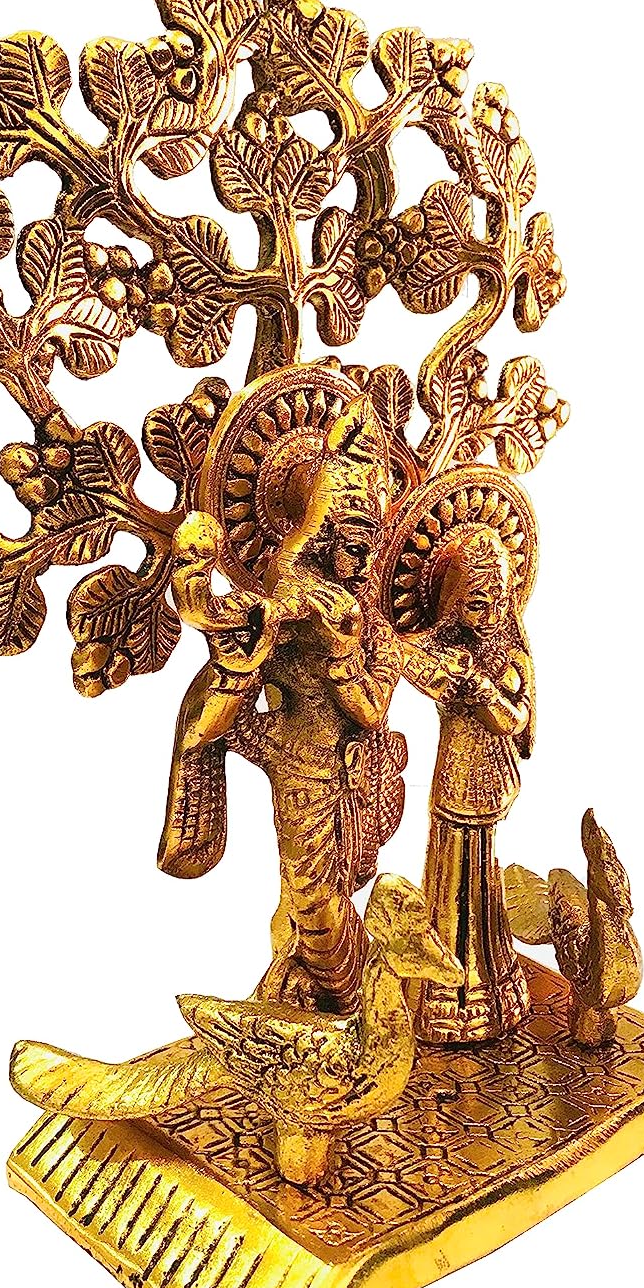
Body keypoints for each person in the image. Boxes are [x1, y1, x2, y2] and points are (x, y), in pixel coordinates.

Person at [159, 396, 405, 1014]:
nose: (359, 560)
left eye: (369, 545)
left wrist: (344, 655)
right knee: (306, 896)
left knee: (318, 897)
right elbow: (233, 656)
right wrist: (225, 636)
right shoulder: (288, 599)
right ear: (316, 533)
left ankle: (350, 999)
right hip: (288, 754)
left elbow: (373, 709)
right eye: (347, 543)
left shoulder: (367, 615)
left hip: (346, 770)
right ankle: (336, 993)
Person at [404, 522, 534, 1042]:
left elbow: (516, 720)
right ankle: (439, 989)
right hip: (454, 777)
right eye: (478, 603)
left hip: (488, 778)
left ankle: (488, 982)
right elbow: (405, 658)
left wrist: (484, 692)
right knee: (448, 877)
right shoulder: (439, 650)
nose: (491, 614)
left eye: (499, 601)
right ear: (453, 601)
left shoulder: (509, 654)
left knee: (481, 880)